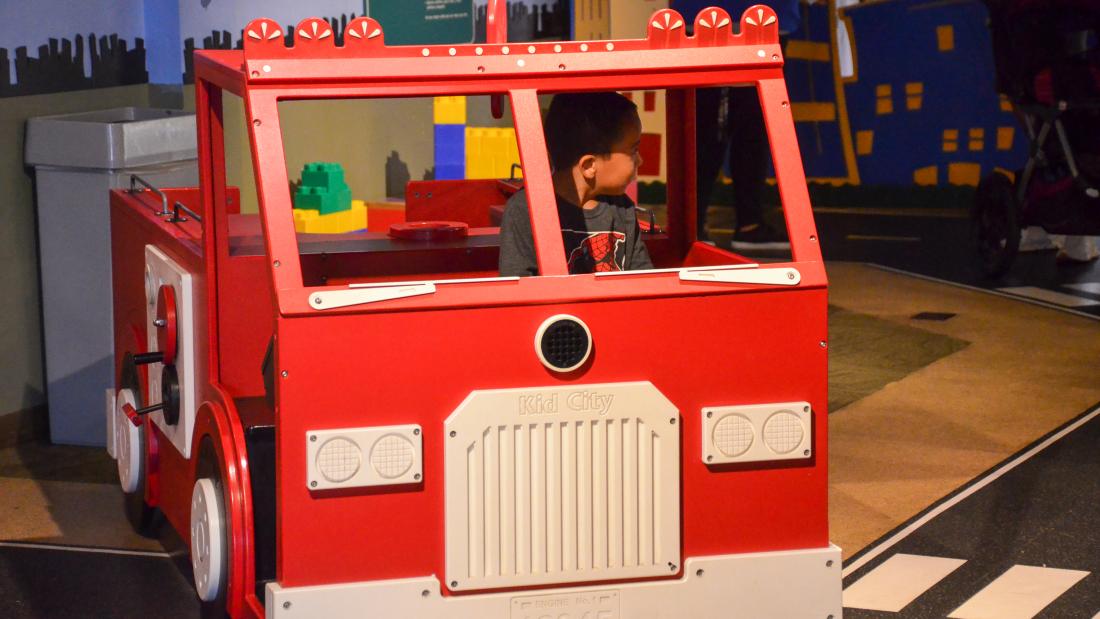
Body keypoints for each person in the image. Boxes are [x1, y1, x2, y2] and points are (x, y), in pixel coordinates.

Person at [671, 0, 801, 250]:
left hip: (754, 16)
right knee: (712, 124)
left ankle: (734, 225)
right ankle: (698, 227)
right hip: (720, 17)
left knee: (742, 123)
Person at [499, 92, 654, 276]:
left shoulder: (623, 209)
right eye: (633, 150)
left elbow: (643, 280)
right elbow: (521, 293)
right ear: (589, 166)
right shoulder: (525, 211)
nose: (640, 160)